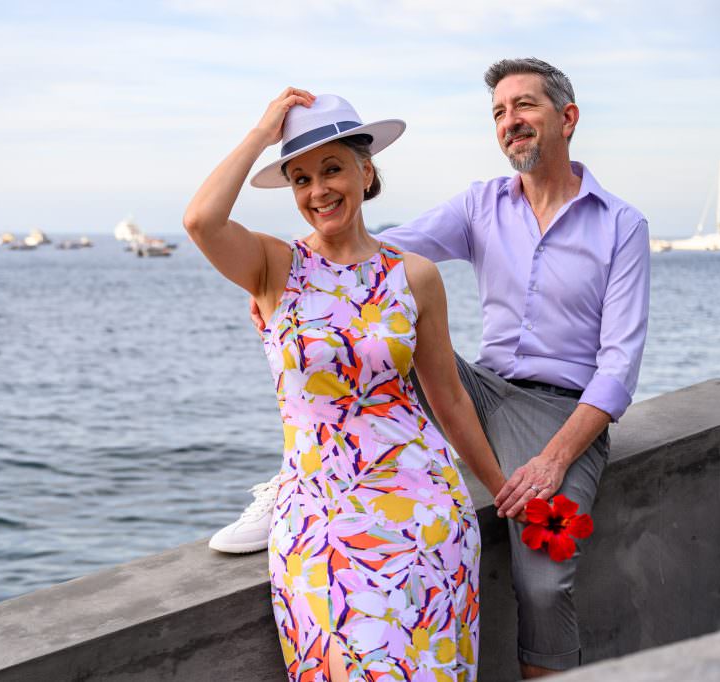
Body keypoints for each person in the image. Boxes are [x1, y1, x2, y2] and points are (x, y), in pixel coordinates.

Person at [215, 59, 650, 678]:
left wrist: (553, 459)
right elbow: (377, 263)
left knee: (545, 584)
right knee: (378, 330)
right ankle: (298, 481)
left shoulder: (622, 225)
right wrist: (300, 280)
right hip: (484, 389)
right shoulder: (480, 204)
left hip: (561, 410)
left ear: (567, 118)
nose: (510, 121)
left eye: (524, 106)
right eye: (499, 112)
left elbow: (619, 367)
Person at [185, 89, 509, 681]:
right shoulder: (273, 266)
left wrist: (501, 489)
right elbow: (201, 220)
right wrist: (262, 134)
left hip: (425, 512)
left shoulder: (414, 275)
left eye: (332, 169)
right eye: (300, 179)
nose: (318, 191)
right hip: (320, 519)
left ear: (366, 171)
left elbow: (449, 396)